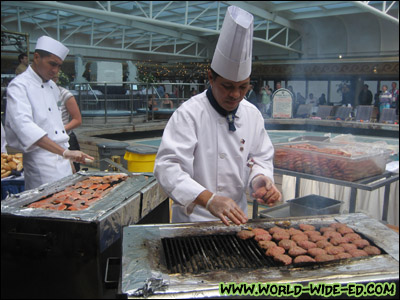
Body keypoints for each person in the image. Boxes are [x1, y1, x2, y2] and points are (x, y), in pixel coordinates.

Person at [154, 6, 282, 226]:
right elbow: (168, 167)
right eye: (227, 86)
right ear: (210, 78)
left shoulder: (252, 115)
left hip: (236, 219)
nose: (235, 95)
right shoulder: (189, 114)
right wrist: (209, 199)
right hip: (192, 221)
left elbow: (260, 157)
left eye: (243, 87)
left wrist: (260, 179)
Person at [5, 36, 93, 190]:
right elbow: (24, 127)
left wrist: (68, 159)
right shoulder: (19, 86)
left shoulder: (52, 86)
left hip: (63, 159)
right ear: (37, 57)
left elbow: (56, 125)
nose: (55, 70)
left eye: (59, 66)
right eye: (52, 64)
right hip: (41, 162)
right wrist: (65, 152)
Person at [53, 72, 82, 172]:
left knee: (72, 170)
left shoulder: (65, 94)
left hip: (67, 138)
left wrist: (60, 130)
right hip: (49, 140)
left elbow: (77, 120)